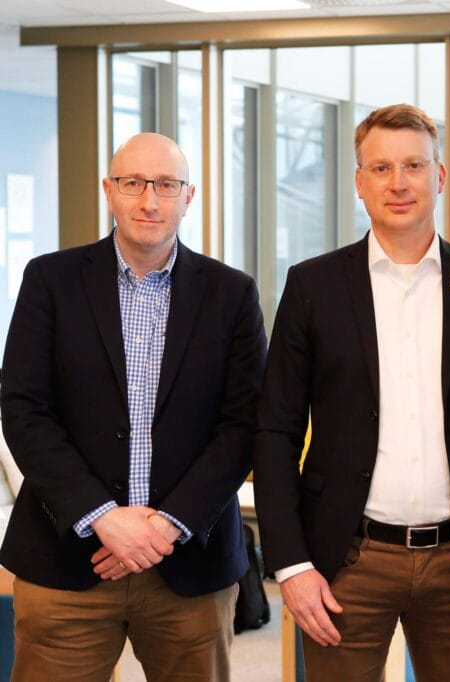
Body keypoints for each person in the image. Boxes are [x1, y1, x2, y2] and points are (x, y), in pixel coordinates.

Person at [254, 103, 450, 682]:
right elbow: (274, 431)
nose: (398, 183)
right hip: (344, 561)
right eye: (380, 168)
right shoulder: (312, 285)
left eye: (413, 166)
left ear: (440, 176)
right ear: (359, 182)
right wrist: (292, 564)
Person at [0, 132, 268, 682]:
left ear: (188, 196)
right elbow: (24, 409)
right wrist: (102, 518)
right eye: (133, 183)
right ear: (109, 191)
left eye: (166, 185)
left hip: (189, 569)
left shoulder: (231, 294)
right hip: (64, 564)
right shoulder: (50, 280)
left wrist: (167, 526)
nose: (149, 200)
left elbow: (244, 424)